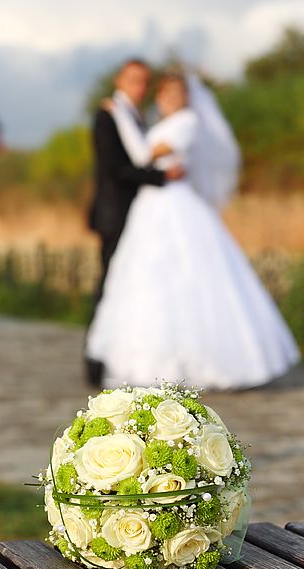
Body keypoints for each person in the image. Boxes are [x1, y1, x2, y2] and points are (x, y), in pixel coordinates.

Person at [85, 71, 300, 390]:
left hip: (174, 204)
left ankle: (202, 364)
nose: (171, 100)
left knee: (192, 279)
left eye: (177, 94)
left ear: (186, 97)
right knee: (149, 282)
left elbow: (144, 155)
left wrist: (118, 113)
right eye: (166, 94)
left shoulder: (187, 122)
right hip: (151, 207)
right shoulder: (156, 123)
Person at [86, 59, 184, 385]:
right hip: (115, 213)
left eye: (144, 82)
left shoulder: (135, 117)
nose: (139, 87)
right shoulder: (107, 115)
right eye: (133, 80)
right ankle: (95, 363)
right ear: (119, 79)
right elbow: (115, 168)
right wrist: (161, 176)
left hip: (139, 215)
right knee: (109, 286)